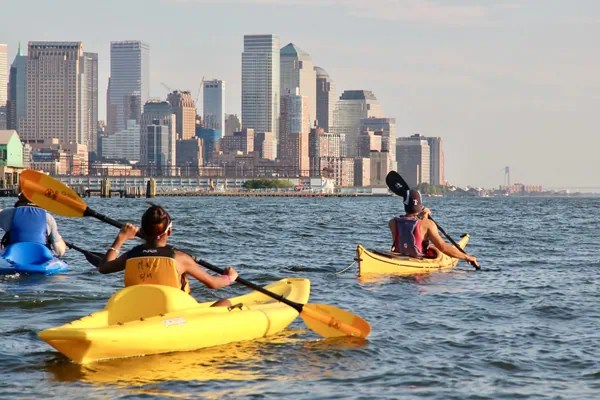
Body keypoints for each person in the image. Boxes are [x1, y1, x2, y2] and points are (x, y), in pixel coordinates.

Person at [98, 205, 238, 307]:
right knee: (225, 303)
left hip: (139, 313)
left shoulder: (131, 256)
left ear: (142, 231)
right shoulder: (180, 258)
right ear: (169, 231)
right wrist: (229, 277)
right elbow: (213, 283)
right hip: (175, 317)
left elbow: (104, 267)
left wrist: (121, 238)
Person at [388, 189, 478, 266]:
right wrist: (467, 257)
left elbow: (409, 233)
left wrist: (423, 217)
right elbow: (443, 247)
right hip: (418, 267)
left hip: (399, 259)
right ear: (420, 205)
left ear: (405, 205)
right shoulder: (428, 224)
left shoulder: (392, 223)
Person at [0, 192, 67, 256]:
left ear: (21, 199)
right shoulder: (48, 218)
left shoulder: (8, 213)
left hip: (13, 255)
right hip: (41, 256)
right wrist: (58, 238)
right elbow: (60, 251)